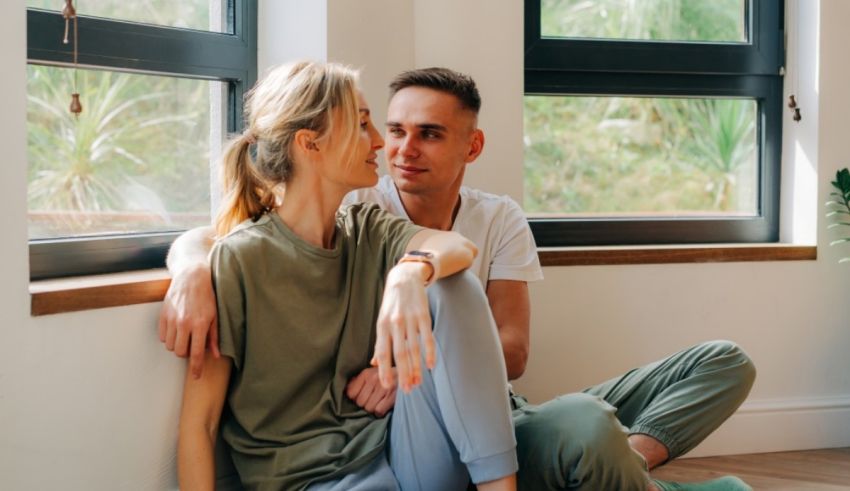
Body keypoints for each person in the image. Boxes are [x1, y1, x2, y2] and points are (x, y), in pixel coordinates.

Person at [163, 67, 756, 491]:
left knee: (706, 369)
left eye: (427, 133)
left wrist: (408, 289)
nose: (392, 147)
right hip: (399, 435)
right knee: (584, 424)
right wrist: (189, 264)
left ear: (471, 146)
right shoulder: (353, 207)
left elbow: (509, 342)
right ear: (312, 143)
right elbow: (231, 238)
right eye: (385, 128)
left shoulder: (435, 221)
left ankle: (622, 464)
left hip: (479, 411)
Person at [176, 61, 518, 491]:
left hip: (400, 454)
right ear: (310, 144)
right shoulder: (241, 259)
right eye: (361, 124)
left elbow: (458, 248)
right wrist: (189, 264)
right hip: (310, 480)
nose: (380, 141)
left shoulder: (367, 227)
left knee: (455, 283)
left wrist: (410, 274)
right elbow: (200, 426)